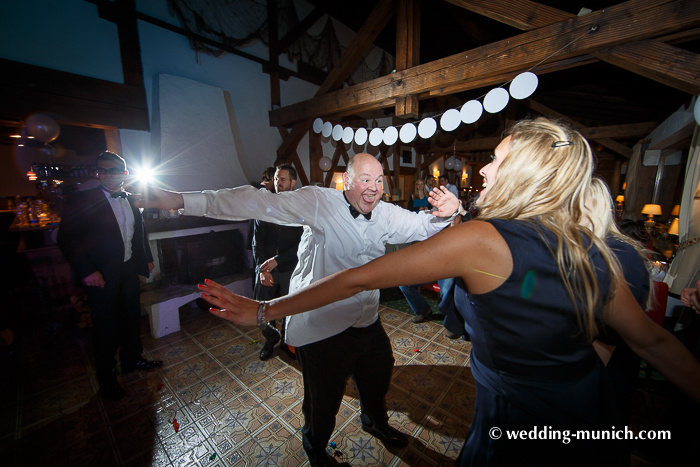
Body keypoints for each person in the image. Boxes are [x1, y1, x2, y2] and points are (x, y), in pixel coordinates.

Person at [199, 118, 700, 466]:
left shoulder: (484, 239)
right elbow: (646, 343)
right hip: (583, 420)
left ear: (526, 174)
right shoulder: (591, 248)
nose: (483, 170)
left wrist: (266, 310)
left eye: (497, 161)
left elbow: (357, 278)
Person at [135, 153, 462, 467]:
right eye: (365, 179)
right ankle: (315, 448)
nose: (375, 187)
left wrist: (446, 214)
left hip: (366, 318)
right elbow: (257, 201)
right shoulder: (320, 202)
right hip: (323, 324)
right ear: (347, 180)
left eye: (379, 179)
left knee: (379, 372)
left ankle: (374, 422)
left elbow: (422, 226)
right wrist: (181, 201)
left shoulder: (386, 213)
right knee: (324, 400)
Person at [58, 151, 161, 400]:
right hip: (100, 273)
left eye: (112, 170)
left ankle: (132, 361)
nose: (107, 175)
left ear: (124, 173)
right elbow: (67, 239)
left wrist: (146, 258)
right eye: (102, 170)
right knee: (105, 326)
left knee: (130, 318)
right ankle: (106, 378)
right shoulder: (81, 200)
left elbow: (139, 231)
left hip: (127, 269)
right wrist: (87, 271)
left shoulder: (130, 198)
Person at [253, 164, 303, 361]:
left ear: (292, 183)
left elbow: (303, 242)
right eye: (276, 179)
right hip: (266, 269)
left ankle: (287, 340)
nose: (278, 183)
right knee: (263, 308)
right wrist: (262, 269)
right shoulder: (265, 206)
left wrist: (278, 260)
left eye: (282, 179)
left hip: (290, 267)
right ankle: (270, 338)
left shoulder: (300, 207)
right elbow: (257, 241)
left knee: (289, 307)